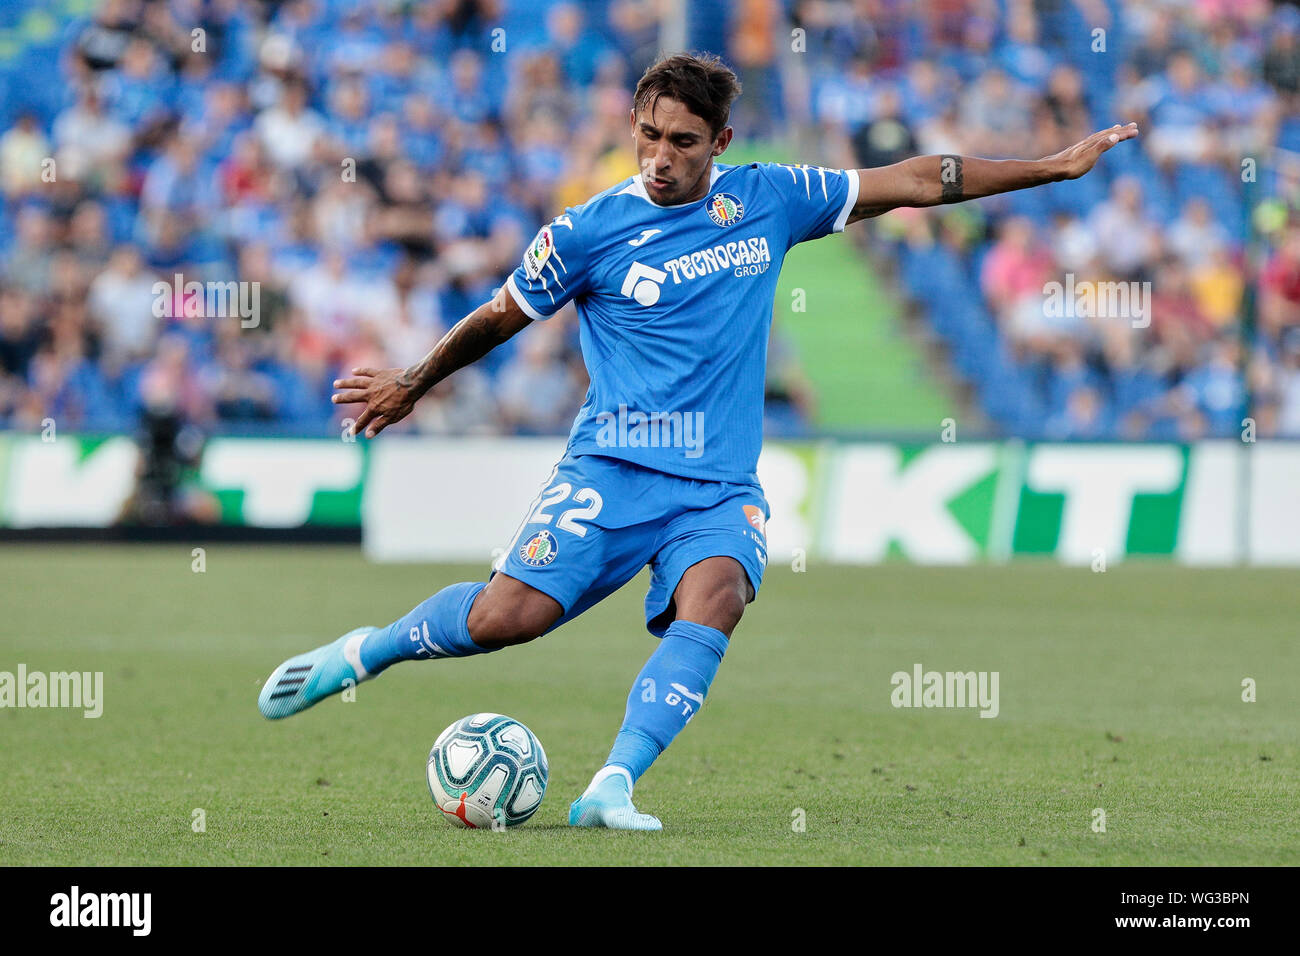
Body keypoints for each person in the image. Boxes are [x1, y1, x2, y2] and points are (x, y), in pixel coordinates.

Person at [258, 52, 1137, 830]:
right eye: (648, 136)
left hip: (715, 486)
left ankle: (610, 786)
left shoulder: (771, 199)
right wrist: (413, 380)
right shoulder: (586, 231)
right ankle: (363, 652)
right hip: (611, 468)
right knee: (503, 620)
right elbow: (499, 317)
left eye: (682, 140)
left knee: (716, 597)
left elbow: (916, 179)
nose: (661, 158)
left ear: (721, 139)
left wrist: (1050, 170)